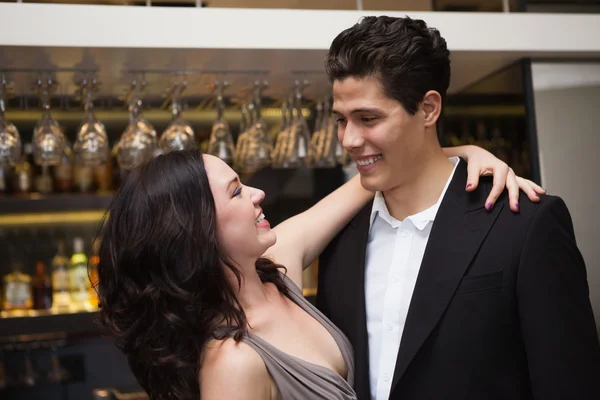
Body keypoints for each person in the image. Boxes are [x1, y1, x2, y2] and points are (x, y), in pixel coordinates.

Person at [96, 144, 538, 399]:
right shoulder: (232, 364)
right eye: (236, 192)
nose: (257, 192)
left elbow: (366, 183)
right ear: (196, 231)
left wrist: (462, 153)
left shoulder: (273, 272)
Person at [316, 15, 600, 400]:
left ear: (429, 109)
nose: (348, 139)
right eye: (340, 120)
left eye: (368, 119)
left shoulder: (526, 225)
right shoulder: (338, 237)